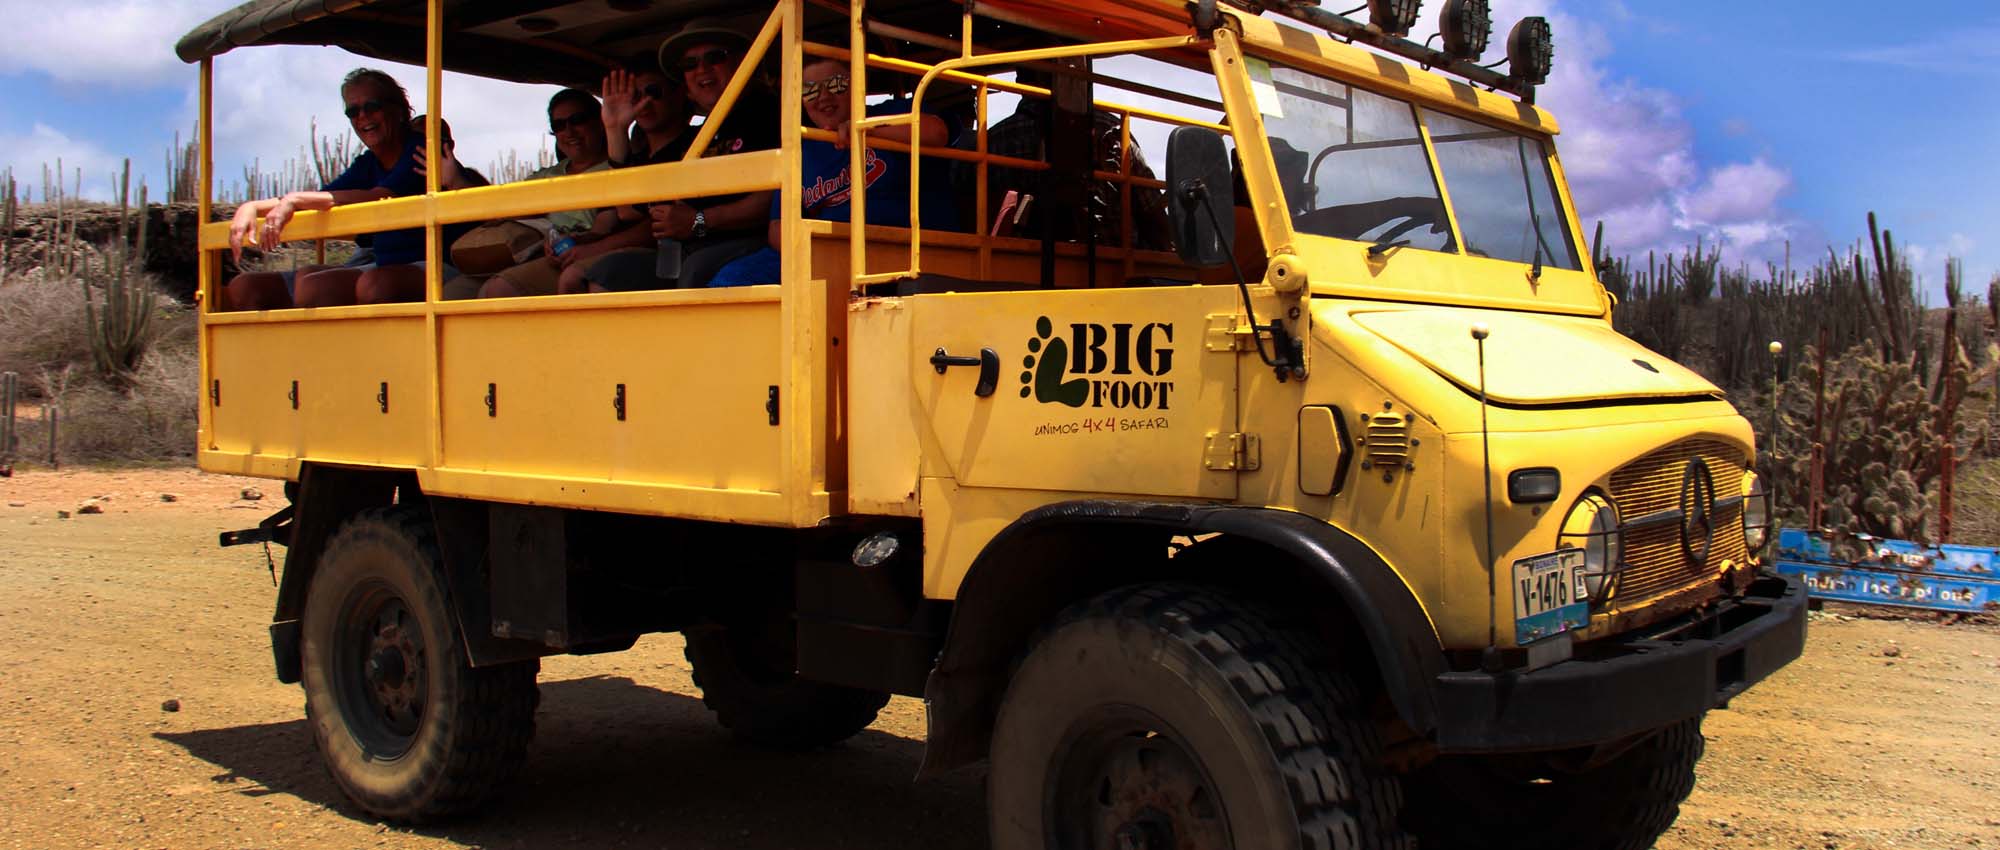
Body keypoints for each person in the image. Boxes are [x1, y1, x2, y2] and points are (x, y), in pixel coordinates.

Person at [223, 68, 480, 310]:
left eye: (372, 107)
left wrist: (294, 199)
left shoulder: (422, 149)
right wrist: (253, 207)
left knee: (324, 287)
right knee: (247, 288)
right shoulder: (368, 163)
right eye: (353, 112)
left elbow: (381, 197)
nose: (363, 117)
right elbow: (324, 198)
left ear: (399, 110)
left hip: (444, 264)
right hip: (387, 265)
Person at [707, 54, 960, 287]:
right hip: (825, 255)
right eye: (810, 90)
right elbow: (777, 228)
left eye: (836, 84)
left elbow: (937, 132)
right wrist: (822, 250)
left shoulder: (892, 113)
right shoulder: (802, 146)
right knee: (731, 280)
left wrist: (865, 130)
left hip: (904, 251)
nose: (824, 97)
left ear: (859, 82)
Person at [581, 18, 780, 292]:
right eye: (690, 64)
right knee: (610, 271)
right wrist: (616, 130)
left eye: (715, 57)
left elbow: (778, 196)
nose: (702, 70)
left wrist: (699, 221)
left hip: (755, 243)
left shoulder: (770, 111)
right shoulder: (696, 137)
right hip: (690, 248)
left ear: (743, 63)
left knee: (695, 270)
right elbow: (628, 211)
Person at [958, 65, 1171, 250]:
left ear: (1020, 81)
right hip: (1117, 267)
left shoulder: (992, 140)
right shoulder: (1114, 129)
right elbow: (1153, 214)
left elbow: (968, 215)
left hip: (1017, 265)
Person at [445, 88, 618, 300]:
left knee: (498, 290)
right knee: (450, 294)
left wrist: (575, 241)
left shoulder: (616, 166)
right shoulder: (547, 175)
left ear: (600, 122)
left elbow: (609, 227)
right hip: (535, 252)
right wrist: (455, 180)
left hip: (580, 254)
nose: (569, 131)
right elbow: (499, 210)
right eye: (559, 125)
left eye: (578, 120)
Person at [553, 66, 697, 295]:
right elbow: (615, 216)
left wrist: (594, 249)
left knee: (584, 276)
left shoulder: (699, 145)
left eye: (653, 92)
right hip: (630, 251)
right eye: (635, 97)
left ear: (679, 94)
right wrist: (578, 240)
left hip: (677, 253)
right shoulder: (633, 157)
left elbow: (655, 226)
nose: (644, 103)